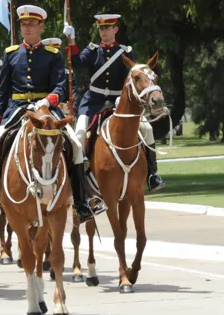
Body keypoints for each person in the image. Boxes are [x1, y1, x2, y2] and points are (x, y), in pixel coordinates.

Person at [0, 4, 105, 228]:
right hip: (17, 108)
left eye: (31, 25)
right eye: (23, 25)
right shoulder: (11, 54)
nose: (27, 29)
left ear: (41, 26)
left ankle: (82, 202)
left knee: (76, 147)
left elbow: (61, 87)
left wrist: (48, 101)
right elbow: (2, 92)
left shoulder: (52, 54)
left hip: (47, 110)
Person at [64, 13, 165, 191]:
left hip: (119, 102)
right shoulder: (93, 50)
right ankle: (77, 177)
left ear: (115, 29)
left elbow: (132, 74)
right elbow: (77, 62)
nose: (103, 31)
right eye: (101, 28)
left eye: (107, 28)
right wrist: (71, 41)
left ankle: (152, 173)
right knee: (79, 133)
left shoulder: (125, 52)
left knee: (147, 129)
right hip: (93, 101)